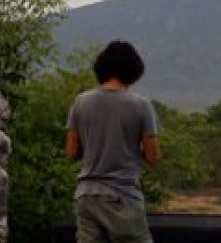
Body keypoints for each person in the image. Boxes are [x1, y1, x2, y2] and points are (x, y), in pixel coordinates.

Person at [66, 40, 161, 243]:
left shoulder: (80, 102)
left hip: (86, 196)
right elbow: (153, 157)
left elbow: (72, 153)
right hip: (122, 196)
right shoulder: (141, 105)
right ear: (133, 70)